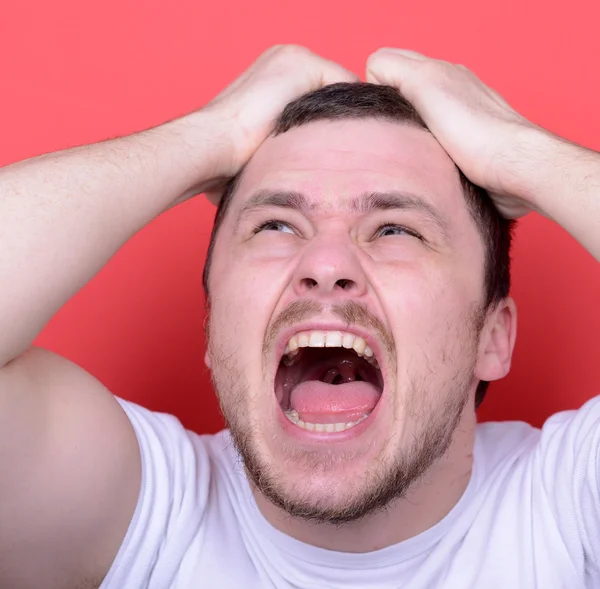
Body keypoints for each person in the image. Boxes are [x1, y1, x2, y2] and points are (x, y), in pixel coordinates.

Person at [0, 45, 598, 589]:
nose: (327, 263)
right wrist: (213, 134)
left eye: (396, 229)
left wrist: (518, 152)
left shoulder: (568, 507)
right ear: (213, 326)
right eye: (276, 225)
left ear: (491, 338)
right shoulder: (143, 515)